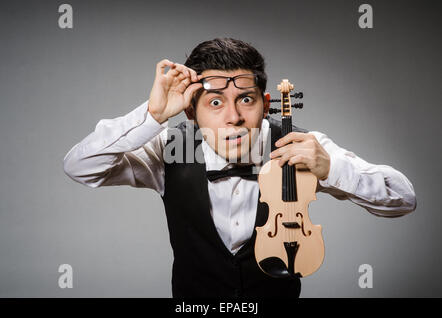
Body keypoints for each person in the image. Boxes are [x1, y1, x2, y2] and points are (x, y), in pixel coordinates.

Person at [63, 38, 416, 298]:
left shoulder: (299, 144)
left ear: (265, 104)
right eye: (215, 102)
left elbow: (402, 197)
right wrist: (152, 116)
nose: (233, 117)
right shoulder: (168, 149)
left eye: (245, 100)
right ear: (190, 110)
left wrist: (331, 167)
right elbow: (80, 166)